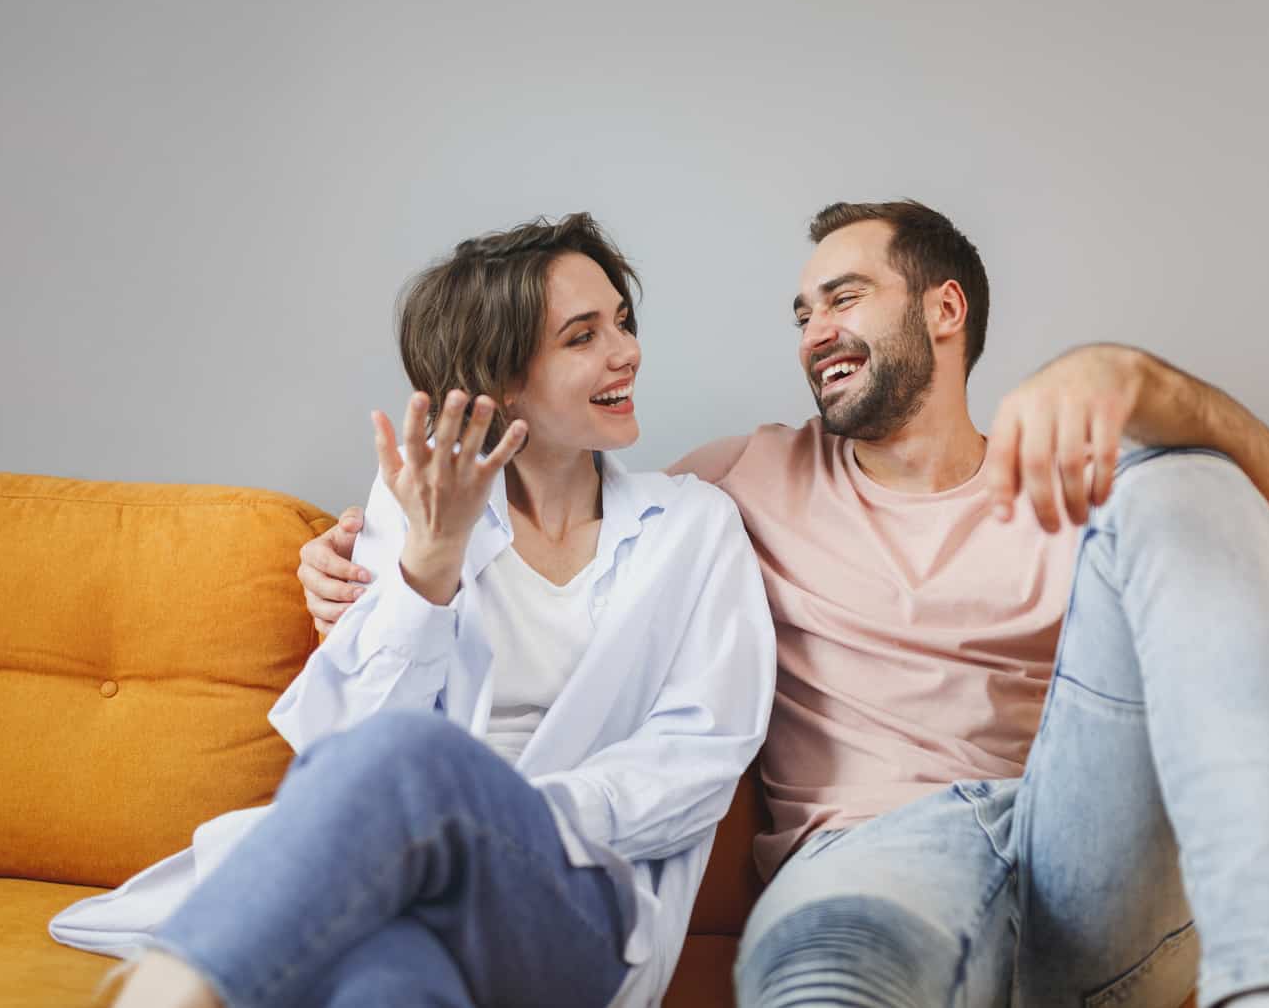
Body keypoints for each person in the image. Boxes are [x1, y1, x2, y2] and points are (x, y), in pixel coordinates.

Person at [301, 201, 1269, 1007]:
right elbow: (556, 511)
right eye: (802, 312)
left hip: (1091, 878)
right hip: (873, 876)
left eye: (844, 297)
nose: (813, 330)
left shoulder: (1067, 471)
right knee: (823, 966)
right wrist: (381, 553)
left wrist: (1127, 377)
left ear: (944, 309)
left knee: (1186, 476)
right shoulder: (730, 486)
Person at [50, 213, 777, 1008]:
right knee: (388, 979)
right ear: (501, 381)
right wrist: (430, 563)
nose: (626, 350)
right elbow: (340, 749)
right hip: (406, 882)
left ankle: (165, 993)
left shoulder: (695, 528)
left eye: (623, 322)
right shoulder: (418, 511)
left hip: (580, 907)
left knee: (414, 761)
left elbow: (699, 756)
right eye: (582, 336)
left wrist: (479, 812)